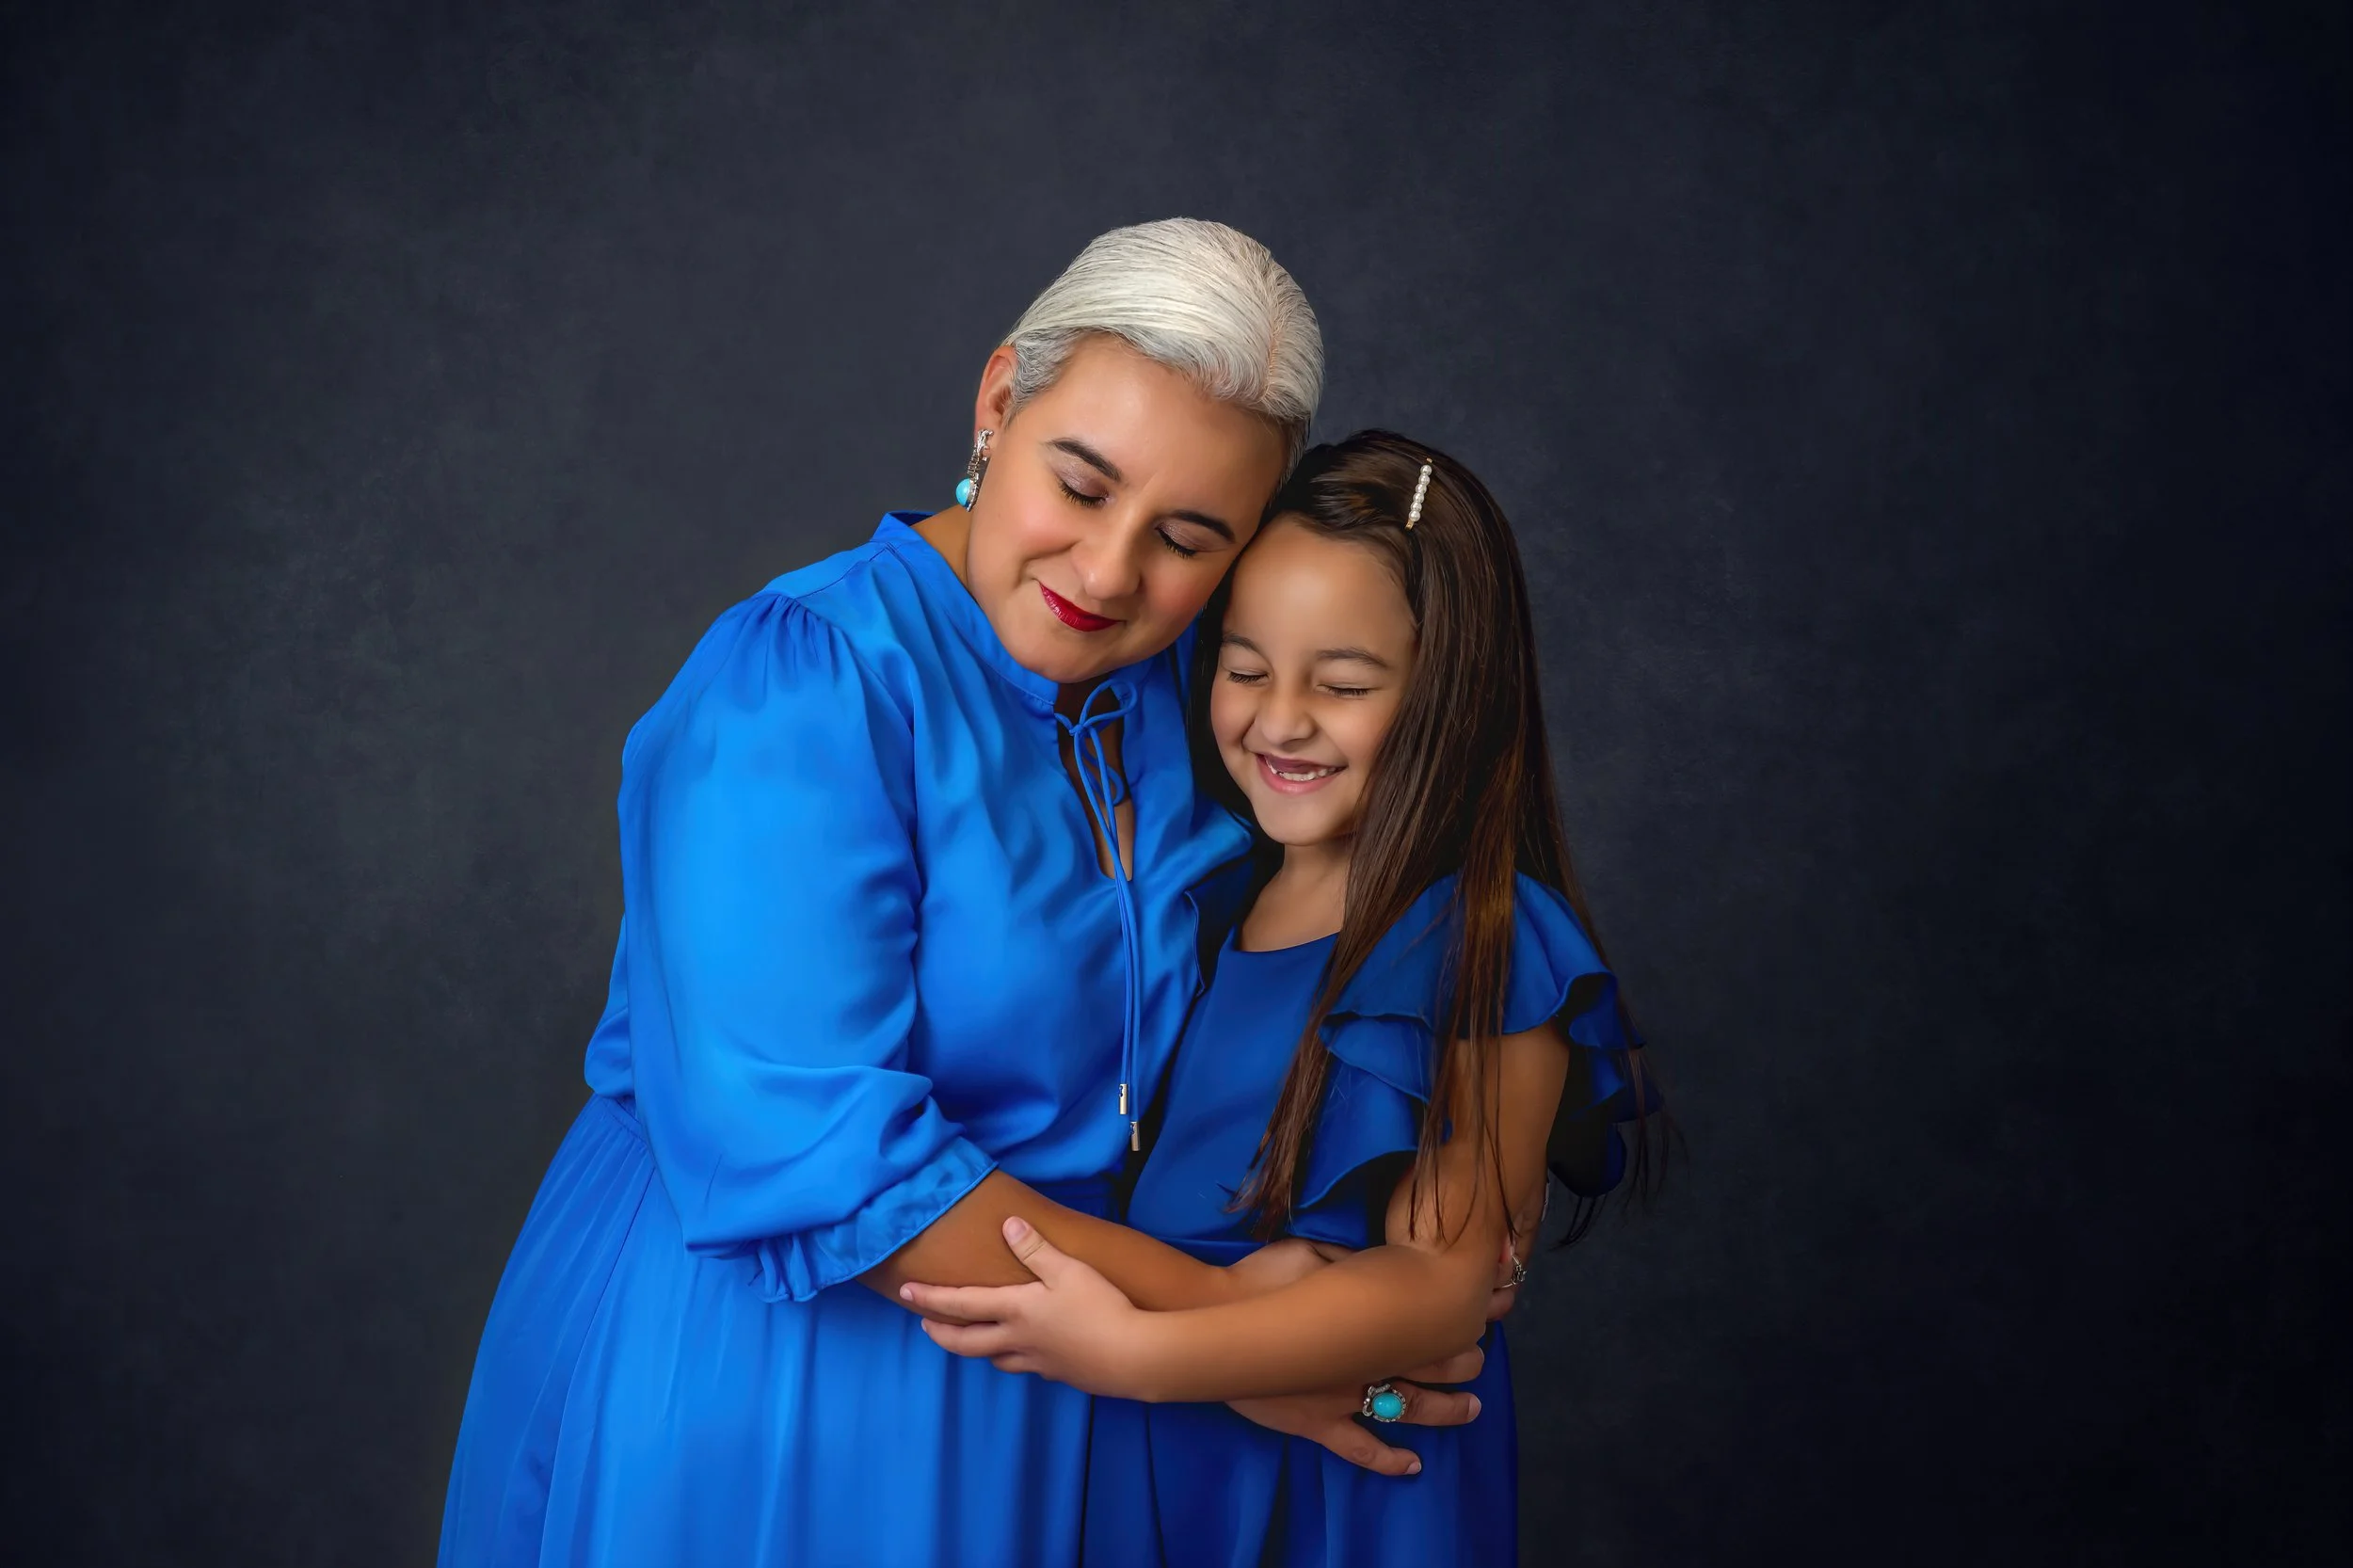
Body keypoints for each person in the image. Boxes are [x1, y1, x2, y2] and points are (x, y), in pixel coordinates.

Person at [436, 223, 1490, 1568]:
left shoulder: (1205, 689)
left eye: (1187, 537)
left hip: (1072, 1378)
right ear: (998, 404)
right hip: (774, 1367)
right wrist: (1226, 1339)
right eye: (1081, 484)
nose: (1107, 573)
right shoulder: (801, 682)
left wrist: (1428, 1232)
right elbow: (825, 1160)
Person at [903, 431, 1663, 1567]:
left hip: (1338, 1482)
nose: (1280, 720)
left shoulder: (1484, 941)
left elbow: (1442, 1286)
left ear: (1452, 695)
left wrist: (1139, 1354)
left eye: (1343, 684)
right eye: (1245, 667)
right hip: (1157, 1447)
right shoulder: (1209, 892)